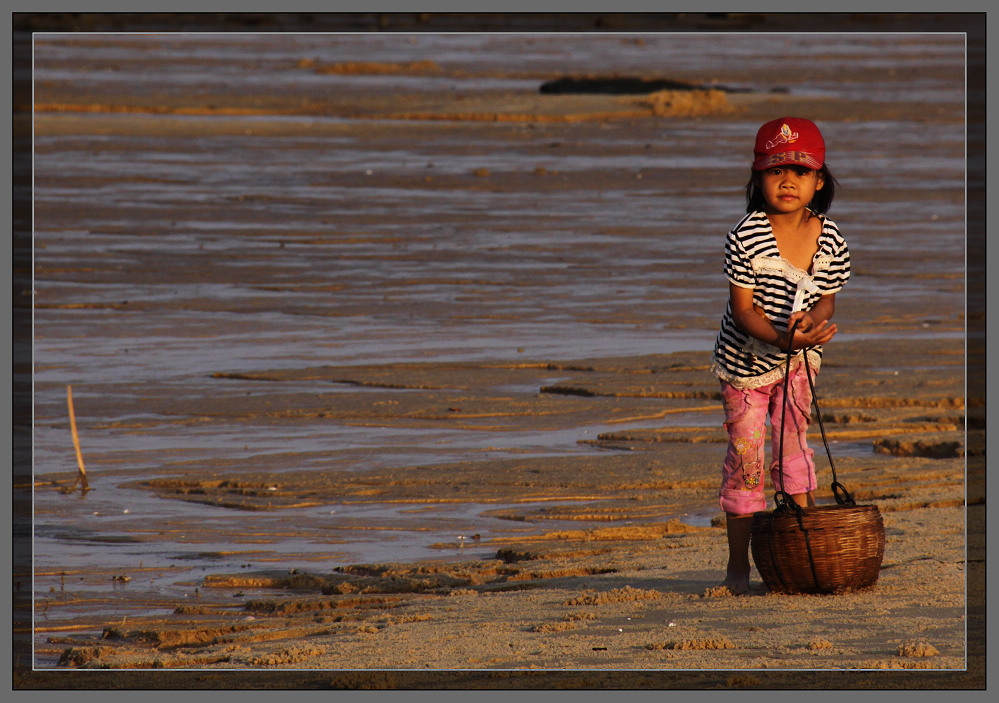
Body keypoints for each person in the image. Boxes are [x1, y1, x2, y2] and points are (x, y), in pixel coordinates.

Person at [710, 117, 851, 594]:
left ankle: (806, 555)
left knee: (793, 449)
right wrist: (782, 339)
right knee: (747, 460)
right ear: (757, 179)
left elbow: (826, 297)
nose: (787, 181)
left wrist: (814, 324)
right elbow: (743, 310)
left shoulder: (830, 237)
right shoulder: (745, 236)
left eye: (799, 171)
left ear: (819, 181)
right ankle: (736, 571)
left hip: (798, 360)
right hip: (745, 364)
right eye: (774, 171)